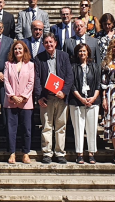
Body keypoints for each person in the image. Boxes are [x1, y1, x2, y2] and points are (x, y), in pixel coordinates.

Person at [34, 32, 73, 164]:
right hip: (47, 98)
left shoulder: (64, 56)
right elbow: (37, 78)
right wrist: (39, 96)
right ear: (43, 44)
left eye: (51, 42)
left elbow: (69, 76)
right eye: (46, 42)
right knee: (46, 126)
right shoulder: (38, 58)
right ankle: (47, 153)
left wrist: (64, 92)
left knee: (61, 126)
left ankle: (60, 153)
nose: (49, 44)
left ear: (55, 42)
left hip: (61, 97)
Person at [69, 43, 101, 165]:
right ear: (77, 53)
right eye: (80, 51)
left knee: (92, 128)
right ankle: (79, 153)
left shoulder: (95, 66)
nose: (82, 53)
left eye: (84, 51)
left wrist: (93, 98)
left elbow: (98, 83)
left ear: (88, 52)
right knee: (78, 128)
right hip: (77, 102)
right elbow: (71, 85)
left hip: (92, 101)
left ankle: (91, 153)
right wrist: (81, 98)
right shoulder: (73, 67)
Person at [3, 40, 35, 164]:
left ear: (24, 50)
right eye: (15, 49)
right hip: (11, 102)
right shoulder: (8, 64)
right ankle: (12, 153)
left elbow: (31, 82)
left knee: (26, 129)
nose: (18, 51)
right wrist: (12, 96)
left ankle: (25, 153)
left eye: (20, 49)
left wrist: (23, 96)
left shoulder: (30, 65)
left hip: (26, 102)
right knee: (11, 129)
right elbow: (6, 81)